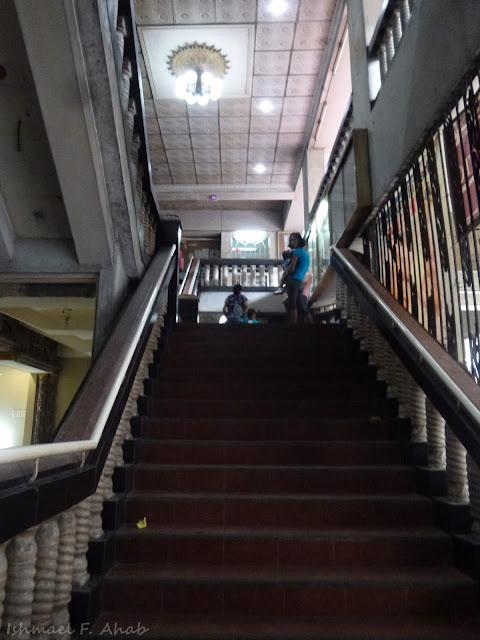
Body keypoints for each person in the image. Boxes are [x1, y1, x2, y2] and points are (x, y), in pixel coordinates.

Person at [279, 232, 310, 324]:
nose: (292, 242)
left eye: (294, 240)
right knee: (300, 305)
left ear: (299, 240)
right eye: (290, 240)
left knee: (292, 305)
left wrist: (284, 277)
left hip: (293, 280)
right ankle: (311, 322)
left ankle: (293, 325)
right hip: (300, 281)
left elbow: (292, 267)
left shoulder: (296, 251)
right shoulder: (305, 253)